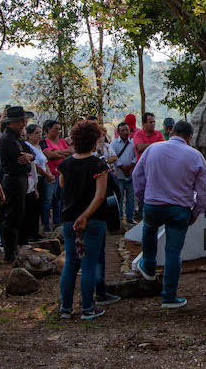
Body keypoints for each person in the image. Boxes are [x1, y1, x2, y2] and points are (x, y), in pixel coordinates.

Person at [134, 120, 206, 309]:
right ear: (189, 137)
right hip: (179, 209)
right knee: (173, 252)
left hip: (153, 204)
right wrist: (196, 212)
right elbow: (203, 190)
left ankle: (149, 265)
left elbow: (137, 175)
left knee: (149, 230)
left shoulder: (152, 149)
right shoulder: (195, 155)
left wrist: (142, 199)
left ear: (171, 132)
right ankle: (169, 296)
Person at [57, 120, 119, 320]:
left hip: (69, 219)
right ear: (94, 141)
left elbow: (62, 185)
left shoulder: (65, 164)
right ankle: (87, 308)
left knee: (71, 264)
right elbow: (100, 196)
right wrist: (85, 215)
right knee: (89, 264)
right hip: (93, 219)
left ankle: (65, 308)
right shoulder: (98, 164)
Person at [0, 106, 36, 262]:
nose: (24, 124)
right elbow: (20, 158)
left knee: (18, 214)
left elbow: (30, 153)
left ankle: (13, 249)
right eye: (21, 121)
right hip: (13, 179)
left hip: (20, 179)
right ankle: (9, 251)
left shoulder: (17, 137)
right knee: (12, 216)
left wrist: (29, 157)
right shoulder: (7, 139)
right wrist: (27, 157)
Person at [40, 119, 72, 233]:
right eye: (55, 129)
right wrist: (62, 153)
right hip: (50, 175)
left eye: (59, 129)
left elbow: (71, 152)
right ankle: (46, 225)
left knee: (59, 200)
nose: (58, 131)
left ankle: (58, 223)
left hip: (61, 175)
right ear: (48, 129)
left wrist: (57, 153)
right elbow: (49, 155)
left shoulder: (62, 141)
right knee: (47, 201)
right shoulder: (44, 141)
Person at [26, 124, 55, 242]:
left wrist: (49, 174)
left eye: (40, 132)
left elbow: (45, 162)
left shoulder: (38, 146)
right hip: (37, 178)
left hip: (45, 177)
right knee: (36, 205)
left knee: (46, 202)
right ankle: (34, 231)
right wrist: (46, 175)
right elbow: (36, 165)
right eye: (36, 133)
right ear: (29, 134)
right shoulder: (28, 147)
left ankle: (43, 227)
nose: (39, 135)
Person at [110, 122, 138, 225]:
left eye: (127, 130)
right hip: (120, 175)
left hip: (131, 174)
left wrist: (130, 166)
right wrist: (122, 167)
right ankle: (120, 218)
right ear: (118, 132)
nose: (125, 132)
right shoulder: (114, 144)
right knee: (120, 198)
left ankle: (130, 218)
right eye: (122, 130)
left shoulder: (133, 143)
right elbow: (113, 157)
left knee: (131, 198)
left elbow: (136, 156)